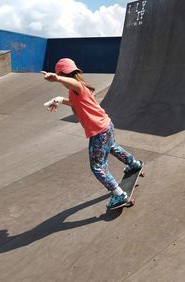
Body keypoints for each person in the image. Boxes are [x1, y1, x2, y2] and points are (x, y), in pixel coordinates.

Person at [42, 58, 143, 209]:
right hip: (107, 125)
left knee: (97, 166)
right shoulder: (80, 89)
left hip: (98, 132)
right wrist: (58, 100)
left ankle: (119, 194)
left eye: (62, 77)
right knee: (112, 147)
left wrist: (57, 78)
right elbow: (74, 101)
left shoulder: (78, 86)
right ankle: (133, 164)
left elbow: (74, 84)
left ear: (64, 75)